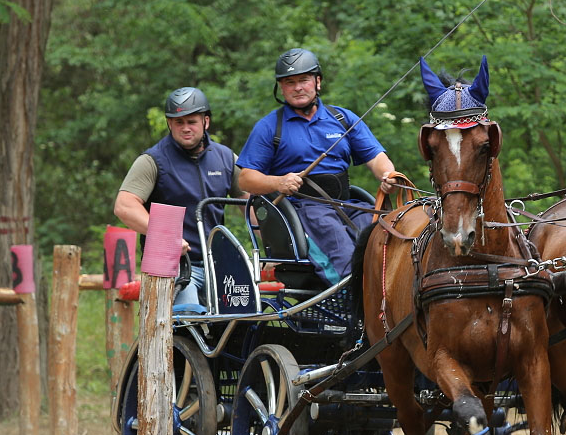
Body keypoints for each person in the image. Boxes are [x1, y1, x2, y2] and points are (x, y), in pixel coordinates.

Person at [236, 47, 399, 285]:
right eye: (290, 82)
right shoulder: (269, 127)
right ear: (281, 87)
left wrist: (389, 175)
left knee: (383, 230)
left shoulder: (343, 119)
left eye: (303, 80)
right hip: (302, 210)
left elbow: (376, 158)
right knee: (337, 242)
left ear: (317, 82)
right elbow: (245, 179)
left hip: (346, 204)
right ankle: (349, 299)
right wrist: (279, 182)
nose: (298, 87)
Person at [114, 86, 244, 308]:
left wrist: (273, 247)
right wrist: (166, 237)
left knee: (242, 322)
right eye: (178, 122)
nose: (185, 128)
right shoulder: (153, 160)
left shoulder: (226, 158)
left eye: (191, 122)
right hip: (173, 266)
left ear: (206, 121)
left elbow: (253, 207)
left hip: (218, 266)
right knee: (190, 319)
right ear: (169, 124)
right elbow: (124, 206)